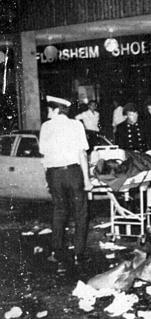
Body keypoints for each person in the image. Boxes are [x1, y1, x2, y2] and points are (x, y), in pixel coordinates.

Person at [39, 96, 91, 266]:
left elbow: (44, 157)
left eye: (49, 110)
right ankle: (79, 254)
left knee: (59, 212)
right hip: (73, 173)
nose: (47, 113)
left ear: (56, 110)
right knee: (80, 213)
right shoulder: (76, 125)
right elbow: (82, 154)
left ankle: (57, 251)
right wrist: (87, 179)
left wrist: (48, 179)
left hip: (55, 174)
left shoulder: (46, 127)